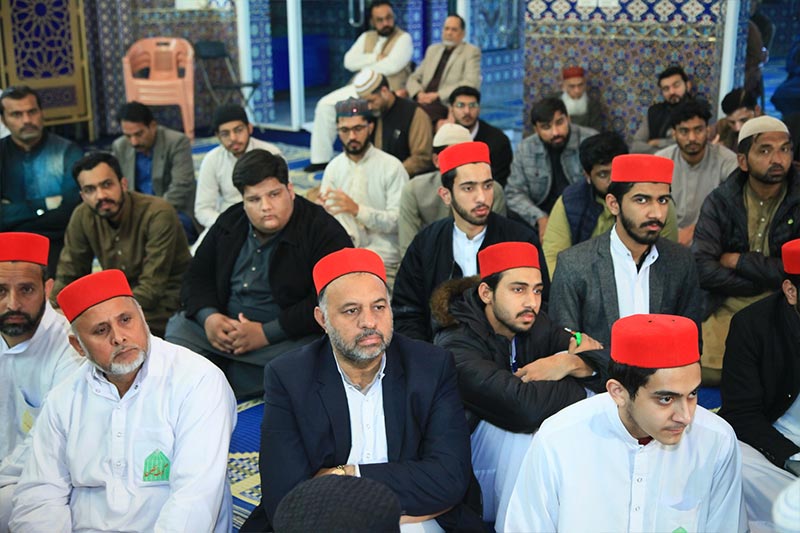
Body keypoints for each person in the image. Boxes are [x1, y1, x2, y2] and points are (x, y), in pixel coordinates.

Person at [240, 248, 482, 532]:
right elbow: (285, 494)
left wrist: (347, 474)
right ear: (322, 319)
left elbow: (449, 478)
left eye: (379, 307)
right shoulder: (289, 376)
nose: (369, 322)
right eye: (352, 310)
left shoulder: (431, 366)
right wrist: (406, 491)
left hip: (421, 521)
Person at [10, 269, 236, 532]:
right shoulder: (64, 398)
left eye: (126, 320)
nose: (118, 337)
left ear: (144, 320)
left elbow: (194, 499)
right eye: (101, 330)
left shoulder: (198, 381)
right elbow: (40, 494)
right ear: (78, 346)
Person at [501, 313, 744, 533]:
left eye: (692, 394)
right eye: (666, 399)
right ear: (618, 392)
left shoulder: (716, 439)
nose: (686, 416)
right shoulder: (558, 440)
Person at [431, 241, 604, 521]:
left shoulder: (535, 322)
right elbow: (522, 408)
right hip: (469, 468)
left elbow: (603, 357)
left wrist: (568, 363)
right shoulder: (456, 342)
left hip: (516, 453)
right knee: (528, 433)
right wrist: (581, 385)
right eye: (518, 289)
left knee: (600, 402)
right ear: (487, 293)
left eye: (537, 290)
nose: (531, 302)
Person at [165, 149, 352, 398]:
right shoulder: (231, 221)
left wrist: (264, 334)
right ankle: (239, 375)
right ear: (242, 200)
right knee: (178, 327)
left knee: (313, 355)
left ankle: (223, 376)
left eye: (274, 195)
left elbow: (332, 299)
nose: (266, 207)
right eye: (254, 200)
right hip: (224, 329)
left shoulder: (322, 230)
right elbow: (196, 276)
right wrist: (209, 318)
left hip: (282, 337)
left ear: (290, 190)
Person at [393, 141, 543, 342]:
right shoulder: (426, 244)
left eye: (487, 186)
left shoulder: (521, 240)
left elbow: (542, 308)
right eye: (468, 188)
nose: (482, 198)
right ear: (446, 195)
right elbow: (407, 312)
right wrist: (427, 357)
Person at [550, 154, 702, 348]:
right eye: (642, 200)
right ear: (614, 204)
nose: (656, 213)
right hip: (598, 378)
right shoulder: (574, 265)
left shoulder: (680, 261)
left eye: (663, 200)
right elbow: (564, 349)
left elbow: (691, 345)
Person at [694, 115, 800, 385]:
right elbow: (704, 268)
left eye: (784, 149)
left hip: (787, 302)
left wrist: (739, 261)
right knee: (705, 373)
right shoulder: (720, 201)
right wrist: (761, 281)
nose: (777, 158)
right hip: (728, 304)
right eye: (765, 150)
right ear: (742, 160)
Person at [52, 152, 191, 337]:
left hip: (168, 301)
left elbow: (152, 288)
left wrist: (105, 314)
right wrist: (52, 312)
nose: (100, 195)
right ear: (83, 195)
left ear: (123, 184)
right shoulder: (82, 216)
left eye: (107, 185)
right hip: (120, 301)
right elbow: (69, 272)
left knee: (100, 335)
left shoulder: (157, 213)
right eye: (90, 190)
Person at [0, 233, 84, 531]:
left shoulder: (70, 347)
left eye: (26, 290)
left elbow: (43, 442)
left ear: (47, 289)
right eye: (0, 291)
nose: (13, 304)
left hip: (42, 475)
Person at [718, 238, 800, 527]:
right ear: (791, 291)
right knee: (735, 464)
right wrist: (793, 457)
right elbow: (742, 413)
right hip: (775, 446)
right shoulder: (752, 326)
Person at [543, 132, 679, 275]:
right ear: (588, 176)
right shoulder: (570, 203)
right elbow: (553, 257)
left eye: (616, 171)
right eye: (603, 174)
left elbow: (667, 256)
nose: (612, 179)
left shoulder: (656, 204)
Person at [305, 0, 412, 172]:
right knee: (324, 104)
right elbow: (348, 61)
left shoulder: (403, 38)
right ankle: (320, 160)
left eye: (388, 18)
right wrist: (376, 57)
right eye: (380, 19)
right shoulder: (366, 37)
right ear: (372, 21)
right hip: (357, 87)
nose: (385, 23)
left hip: (385, 89)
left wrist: (365, 64)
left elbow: (392, 66)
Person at [319, 98, 408, 286]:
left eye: (358, 129)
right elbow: (328, 221)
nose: (352, 136)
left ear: (370, 127)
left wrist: (357, 210)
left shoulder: (391, 167)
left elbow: (399, 222)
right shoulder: (333, 169)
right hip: (343, 258)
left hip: (384, 259)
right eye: (345, 130)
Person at [0, 85, 83, 274]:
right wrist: (45, 204)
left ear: (41, 112)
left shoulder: (67, 152)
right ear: (3, 120)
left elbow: (71, 212)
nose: (27, 120)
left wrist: (12, 211)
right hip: (8, 247)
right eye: (17, 115)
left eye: (32, 112)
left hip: (57, 243)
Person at [398, 123, 506, 256]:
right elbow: (408, 249)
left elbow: (495, 247)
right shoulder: (414, 190)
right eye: (453, 156)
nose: (460, 163)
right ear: (436, 160)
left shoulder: (493, 191)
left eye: (467, 155)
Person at [505, 97, 598, 242]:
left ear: (568, 119)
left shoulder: (590, 140)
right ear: (536, 130)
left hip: (583, 214)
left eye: (560, 122)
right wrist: (539, 218)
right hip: (541, 216)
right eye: (546, 127)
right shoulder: (526, 148)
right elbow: (513, 193)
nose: (555, 132)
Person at [656, 100, 738, 246]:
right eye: (684, 131)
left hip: (712, 238)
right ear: (674, 133)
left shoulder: (728, 161)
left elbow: (735, 210)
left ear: (708, 130)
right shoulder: (660, 161)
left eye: (698, 130)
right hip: (666, 239)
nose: (692, 138)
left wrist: (694, 230)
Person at [111, 101, 197, 241]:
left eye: (139, 134)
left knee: (160, 229)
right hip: (135, 214)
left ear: (152, 126)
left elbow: (182, 186)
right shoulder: (120, 147)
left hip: (174, 210)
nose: (133, 142)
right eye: (128, 136)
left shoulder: (176, 142)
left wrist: (151, 214)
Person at [194, 104, 283, 232]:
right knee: (199, 252)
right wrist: (227, 225)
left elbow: (285, 196)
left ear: (250, 128)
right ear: (218, 136)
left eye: (238, 130)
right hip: (228, 223)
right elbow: (203, 209)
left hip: (268, 217)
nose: (233, 138)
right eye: (225, 134)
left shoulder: (271, 153)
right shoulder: (211, 160)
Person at [355, 69, 433, 177]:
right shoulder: (370, 114)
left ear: (384, 91)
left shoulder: (414, 114)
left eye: (371, 101)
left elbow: (422, 158)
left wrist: (390, 174)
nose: (369, 106)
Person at [404, 14, 481, 123]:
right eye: (446, 29)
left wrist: (437, 95)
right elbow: (414, 77)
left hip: (444, 103)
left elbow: (471, 83)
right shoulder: (433, 50)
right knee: (398, 111)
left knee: (417, 116)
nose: (449, 33)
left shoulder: (470, 52)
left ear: (463, 34)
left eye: (454, 30)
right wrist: (419, 94)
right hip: (422, 100)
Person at [449, 86, 513, 186]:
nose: (467, 111)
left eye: (472, 105)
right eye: (460, 105)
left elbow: (499, 183)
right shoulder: (445, 138)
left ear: (479, 108)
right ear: (451, 109)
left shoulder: (498, 140)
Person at [631, 65, 704, 154]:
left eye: (676, 85)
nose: (672, 92)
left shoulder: (700, 110)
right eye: (666, 89)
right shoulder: (654, 112)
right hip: (657, 164)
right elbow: (635, 146)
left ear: (687, 86)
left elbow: (696, 146)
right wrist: (663, 154)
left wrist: (658, 142)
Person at [714, 87, 762, 152]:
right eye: (732, 122)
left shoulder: (773, 131)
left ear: (757, 110)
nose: (737, 128)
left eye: (744, 120)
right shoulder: (722, 126)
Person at [557, 66, 603, 131]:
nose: (577, 90)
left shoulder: (593, 104)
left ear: (585, 84)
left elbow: (596, 131)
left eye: (580, 85)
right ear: (564, 86)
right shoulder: (554, 101)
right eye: (572, 86)